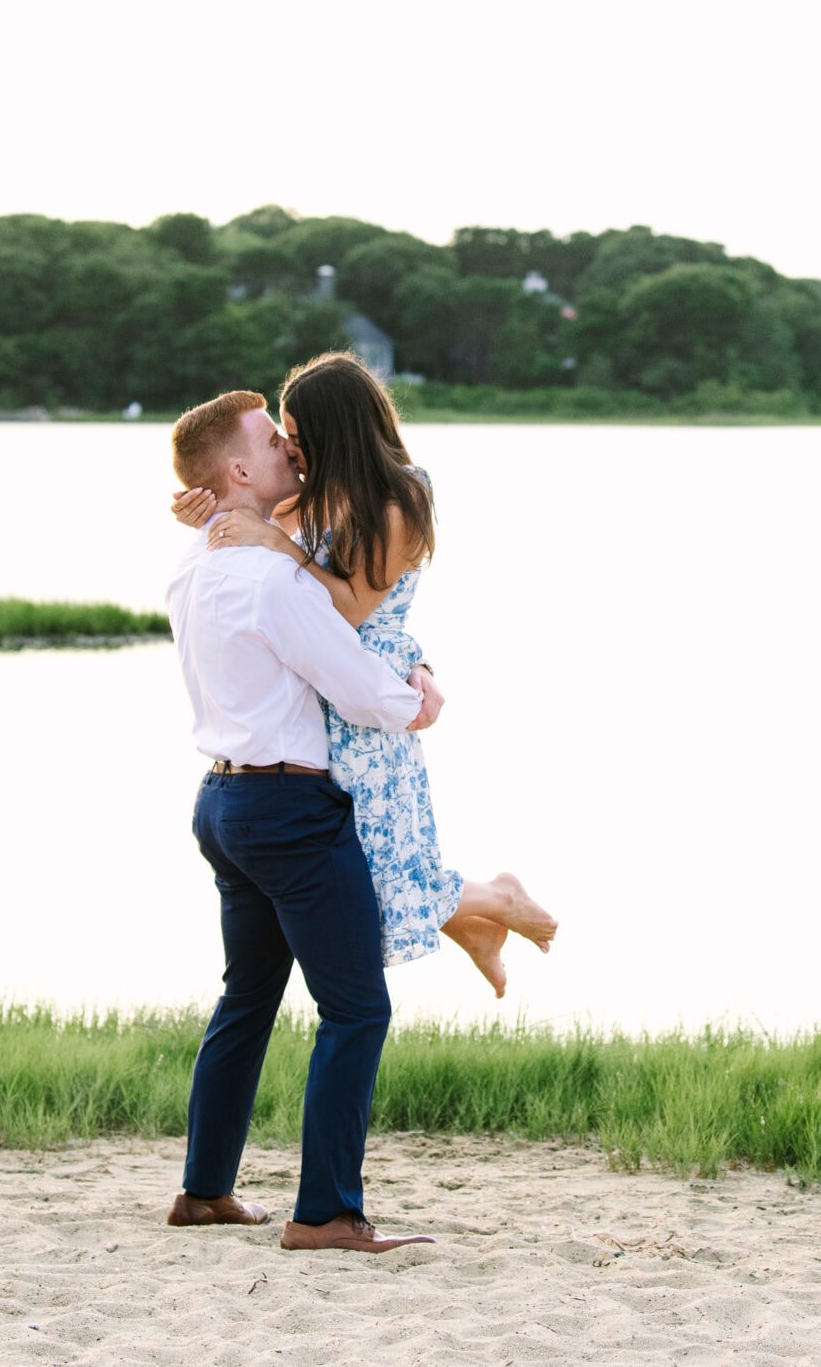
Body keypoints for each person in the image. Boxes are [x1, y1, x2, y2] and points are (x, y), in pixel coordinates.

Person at [170, 352, 557, 996]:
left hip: (364, 680)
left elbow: (349, 605)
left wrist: (280, 547)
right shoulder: (314, 489)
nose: (291, 453)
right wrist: (202, 509)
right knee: (372, 867)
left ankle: (491, 902)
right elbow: (249, 513)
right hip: (328, 683)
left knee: (376, 864)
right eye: (283, 439)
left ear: (336, 431)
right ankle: (478, 917)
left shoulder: (400, 496)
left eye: (297, 437)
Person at [161, 387, 436, 1251]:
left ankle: (205, 1191)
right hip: (288, 808)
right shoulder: (279, 581)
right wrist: (419, 699)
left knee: (246, 999)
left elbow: (283, 524)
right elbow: (355, 685)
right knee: (356, 1009)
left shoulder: (196, 565)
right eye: (271, 439)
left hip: (222, 802)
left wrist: (221, 513)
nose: (290, 446)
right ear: (241, 470)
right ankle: (324, 1213)